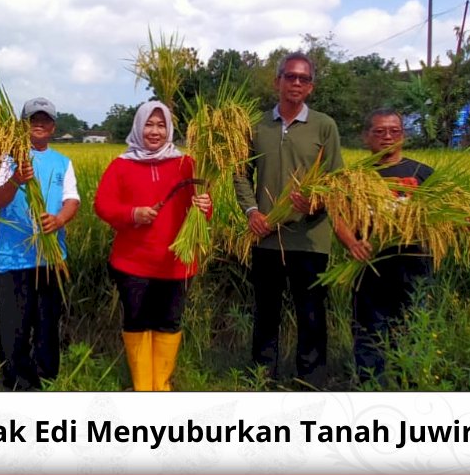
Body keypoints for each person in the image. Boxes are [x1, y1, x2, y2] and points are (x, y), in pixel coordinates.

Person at [234, 51, 344, 388]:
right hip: (266, 234)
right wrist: (252, 212)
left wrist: (315, 203)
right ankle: (261, 376)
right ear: (277, 81)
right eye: (290, 76)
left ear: (311, 87)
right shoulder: (256, 125)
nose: (296, 83)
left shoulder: (324, 126)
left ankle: (310, 381)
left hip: (310, 239)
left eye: (304, 79)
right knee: (266, 311)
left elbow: (335, 181)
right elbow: (240, 174)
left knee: (311, 314)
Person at [94, 101, 212, 391]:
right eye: (149, 124)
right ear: (138, 126)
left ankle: (161, 385)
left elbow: (204, 210)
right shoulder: (121, 165)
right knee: (136, 321)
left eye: (161, 125)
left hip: (177, 260)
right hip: (133, 262)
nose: (155, 131)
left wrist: (206, 205)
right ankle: (142, 386)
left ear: (169, 128)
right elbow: (102, 205)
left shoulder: (186, 164)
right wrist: (133, 214)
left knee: (169, 321)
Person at [0, 98, 80, 391]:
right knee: (15, 322)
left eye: (45, 120)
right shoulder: (5, 159)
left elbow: (72, 200)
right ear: (23, 125)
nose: (39, 124)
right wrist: (16, 179)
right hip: (13, 256)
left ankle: (47, 372)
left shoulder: (63, 162)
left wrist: (59, 220)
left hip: (50, 255)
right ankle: (17, 379)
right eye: (32, 120)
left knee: (46, 319)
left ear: (53, 126)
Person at [347, 109, 434, 386]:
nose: (387, 136)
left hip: (414, 270)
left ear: (403, 136)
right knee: (369, 338)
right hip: (370, 270)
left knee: (411, 335)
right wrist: (351, 242)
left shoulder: (422, 173)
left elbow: (447, 212)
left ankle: (409, 394)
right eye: (379, 131)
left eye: (394, 131)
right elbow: (338, 215)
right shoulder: (356, 176)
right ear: (366, 137)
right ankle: (370, 393)